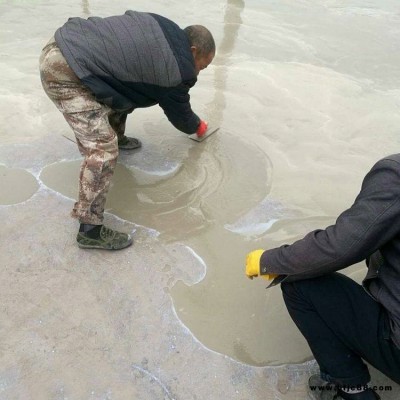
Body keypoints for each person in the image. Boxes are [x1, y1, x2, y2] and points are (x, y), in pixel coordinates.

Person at [39, 11, 215, 250]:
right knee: (102, 149)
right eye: (202, 66)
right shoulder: (178, 69)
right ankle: (89, 230)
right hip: (65, 72)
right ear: (193, 51)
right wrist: (197, 126)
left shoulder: (166, 27)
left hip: (64, 42)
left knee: (126, 89)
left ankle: (118, 136)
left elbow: (127, 73)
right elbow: (180, 114)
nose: (197, 73)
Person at [245, 154, 400, 400]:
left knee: (300, 284)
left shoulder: (396, 175)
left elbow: (342, 246)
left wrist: (268, 261)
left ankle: (352, 390)